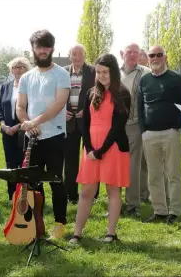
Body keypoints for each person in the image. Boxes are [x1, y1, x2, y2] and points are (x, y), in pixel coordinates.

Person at [69, 53, 131, 244]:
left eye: (106, 72)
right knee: (86, 191)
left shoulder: (123, 93)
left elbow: (118, 126)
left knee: (113, 191)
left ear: (113, 72)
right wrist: (89, 147)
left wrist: (101, 150)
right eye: (99, 72)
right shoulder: (90, 93)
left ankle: (110, 234)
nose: (102, 76)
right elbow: (84, 123)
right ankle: (77, 233)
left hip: (112, 147)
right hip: (91, 149)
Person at [17, 29, 70, 239]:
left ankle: (60, 223)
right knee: (31, 183)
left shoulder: (61, 74)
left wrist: (35, 121)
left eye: (46, 47)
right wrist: (27, 124)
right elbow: (20, 107)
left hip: (55, 137)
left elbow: (59, 104)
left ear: (52, 49)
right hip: (32, 138)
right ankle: (35, 224)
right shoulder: (26, 77)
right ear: (33, 49)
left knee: (56, 181)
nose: (42, 51)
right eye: (39, 47)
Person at [138, 45, 181, 225]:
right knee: (154, 175)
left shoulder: (176, 79)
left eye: (159, 55)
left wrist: (178, 127)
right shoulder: (145, 80)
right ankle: (159, 210)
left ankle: (174, 211)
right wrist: (143, 131)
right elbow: (140, 107)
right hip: (150, 135)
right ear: (148, 58)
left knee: (173, 173)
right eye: (152, 55)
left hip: (171, 133)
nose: (155, 58)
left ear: (165, 57)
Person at [64, 44, 98, 204]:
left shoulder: (93, 72)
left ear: (85, 55)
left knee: (91, 159)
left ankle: (93, 195)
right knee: (70, 160)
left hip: (89, 123)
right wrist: (62, 110)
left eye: (80, 54)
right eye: (73, 53)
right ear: (69, 55)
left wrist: (87, 110)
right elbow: (54, 95)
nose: (77, 57)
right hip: (68, 122)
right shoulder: (62, 72)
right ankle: (71, 194)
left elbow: (100, 94)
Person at [119, 43, 150, 217]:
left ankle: (132, 204)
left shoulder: (145, 72)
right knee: (115, 163)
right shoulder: (114, 72)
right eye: (128, 52)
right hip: (115, 126)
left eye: (135, 52)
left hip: (134, 124)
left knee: (133, 165)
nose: (131, 55)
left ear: (139, 55)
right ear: (122, 53)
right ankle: (115, 201)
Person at [0, 56, 31, 203]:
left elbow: (30, 109)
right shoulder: (5, 87)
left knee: (23, 164)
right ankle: (12, 196)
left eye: (21, 67)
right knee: (10, 165)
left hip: (22, 131)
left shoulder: (29, 87)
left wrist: (18, 126)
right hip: (7, 132)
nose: (18, 70)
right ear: (11, 70)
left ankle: (24, 195)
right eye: (15, 67)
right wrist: (3, 126)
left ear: (26, 70)